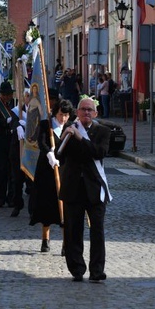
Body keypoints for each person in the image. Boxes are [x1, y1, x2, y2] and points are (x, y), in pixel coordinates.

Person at [56, 97, 111, 283]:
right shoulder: (69, 129)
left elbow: (98, 152)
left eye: (90, 110)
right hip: (73, 187)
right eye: (83, 109)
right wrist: (63, 138)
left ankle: (97, 271)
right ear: (77, 112)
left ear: (95, 113)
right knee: (73, 230)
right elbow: (59, 154)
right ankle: (77, 269)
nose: (86, 112)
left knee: (97, 231)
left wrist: (79, 138)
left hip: (95, 188)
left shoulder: (102, 131)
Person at [30, 99, 72, 253]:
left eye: (66, 115)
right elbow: (41, 142)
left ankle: (65, 242)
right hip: (46, 170)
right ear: (55, 113)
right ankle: (45, 238)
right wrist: (49, 154)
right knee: (47, 204)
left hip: (63, 169)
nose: (63, 118)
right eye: (61, 114)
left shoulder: (70, 127)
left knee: (64, 206)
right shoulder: (46, 125)